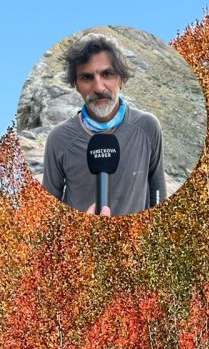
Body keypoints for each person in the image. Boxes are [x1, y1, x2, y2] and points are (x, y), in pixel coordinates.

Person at [42, 33, 165, 216]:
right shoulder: (58, 139)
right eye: (87, 77)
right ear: (76, 84)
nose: (99, 88)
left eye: (107, 74)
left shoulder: (148, 127)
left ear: (121, 79)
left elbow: (158, 192)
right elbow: (48, 212)